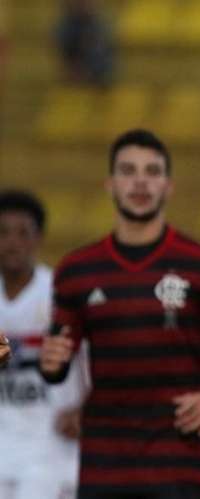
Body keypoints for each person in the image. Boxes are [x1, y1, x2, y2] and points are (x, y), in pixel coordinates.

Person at [39, 129, 200, 499]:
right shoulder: (76, 270)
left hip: (185, 465)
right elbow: (57, 365)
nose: (140, 181)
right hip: (105, 467)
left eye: (152, 171)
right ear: (110, 183)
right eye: (128, 170)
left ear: (168, 186)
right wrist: (51, 363)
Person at [0, 189, 88, 499]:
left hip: (50, 448)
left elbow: (96, 359)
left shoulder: (60, 295)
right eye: (4, 233)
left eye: (23, 232)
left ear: (38, 238)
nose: (12, 242)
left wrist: (84, 408)